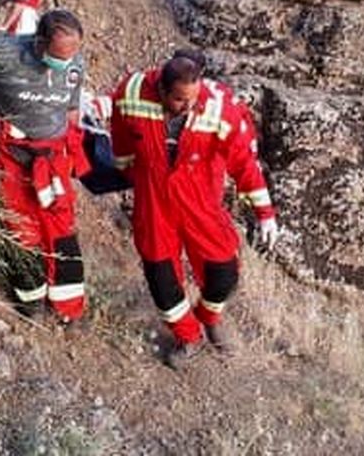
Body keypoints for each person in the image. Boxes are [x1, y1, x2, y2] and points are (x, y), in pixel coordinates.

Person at [109, 52, 280, 367]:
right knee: (160, 276)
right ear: (161, 88)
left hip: (199, 198)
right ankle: (188, 337)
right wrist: (128, 170)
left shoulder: (219, 107)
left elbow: (244, 162)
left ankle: (209, 316)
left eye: (193, 98)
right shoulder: (131, 91)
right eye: (179, 100)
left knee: (224, 272)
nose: (188, 106)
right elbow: (120, 135)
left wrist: (264, 212)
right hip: (154, 199)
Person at [0, 8, 90, 322]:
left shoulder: (74, 66)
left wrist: (71, 151)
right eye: (59, 54)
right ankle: (30, 298)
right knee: (19, 225)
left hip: (52, 158)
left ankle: (68, 307)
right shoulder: (3, 52)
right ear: (39, 42)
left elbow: (70, 110)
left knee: (61, 226)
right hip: (11, 153)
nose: (66, 60)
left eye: (72, 53)